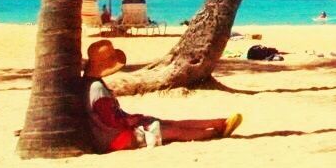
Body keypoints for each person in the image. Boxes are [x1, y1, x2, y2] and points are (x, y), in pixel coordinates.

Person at [82, 40, 242, 153]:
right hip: (117, 138)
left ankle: (220, 122)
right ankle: (215, 132)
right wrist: (131, 120)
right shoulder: (96, 88)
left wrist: (132, 118)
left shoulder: (92, 83)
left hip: (114, 134)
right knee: (173, 131)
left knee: (167, 123)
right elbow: (111, 121)